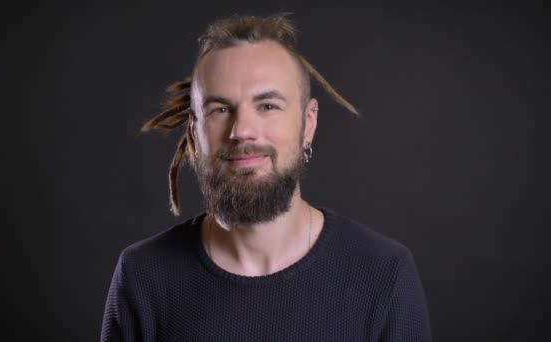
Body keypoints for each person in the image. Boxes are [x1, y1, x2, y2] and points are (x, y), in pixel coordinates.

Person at [101, 13, 431, 341]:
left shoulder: (383, 274)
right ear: (194, 131)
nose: (242, 131)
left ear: (309, 123)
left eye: (268, 106)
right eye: (220, 109)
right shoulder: (142, 277)